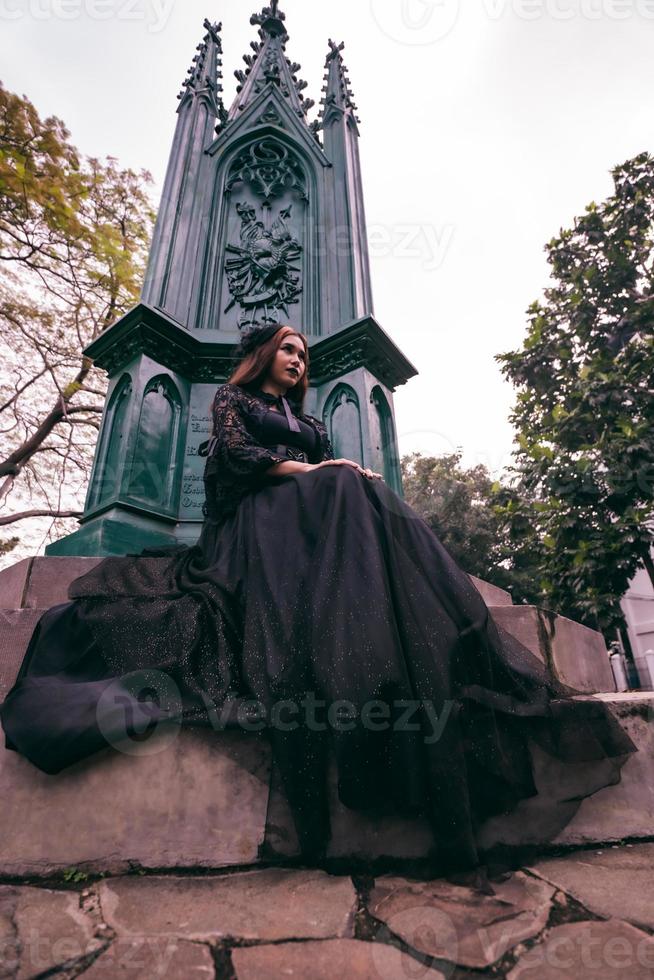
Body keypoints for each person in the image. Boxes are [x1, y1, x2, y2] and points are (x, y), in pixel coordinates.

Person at [0, 323, 639, 895]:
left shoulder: (310, 423)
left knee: (363, 487)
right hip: (252, 526)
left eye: (305, 354)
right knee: (340, 480)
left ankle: (405, 613)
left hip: (308, 529)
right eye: (289, 349)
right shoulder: (234, 401)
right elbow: (235, 461)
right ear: (264, 357)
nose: (300, 361)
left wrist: (327, 472)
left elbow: (322, 468)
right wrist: (310, 473)